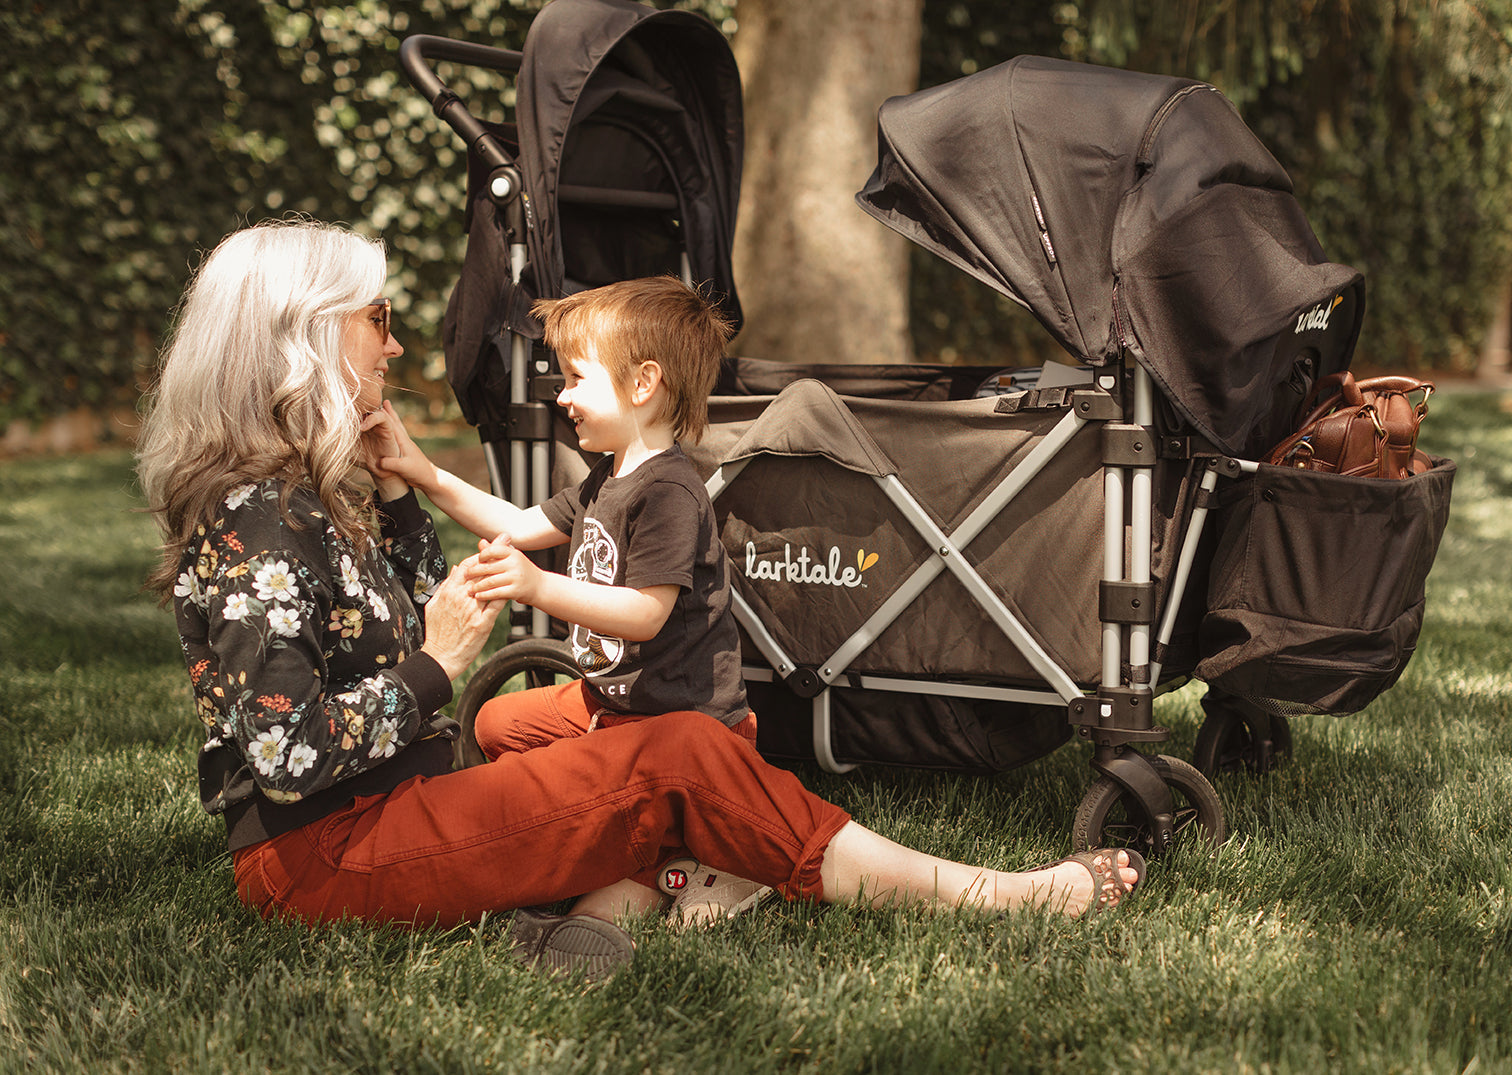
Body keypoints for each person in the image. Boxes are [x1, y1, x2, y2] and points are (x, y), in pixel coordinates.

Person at [135, 218, 1143, 981]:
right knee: (680, 753)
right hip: (327, 853)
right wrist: (434, 665)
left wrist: (404, 488)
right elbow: (287, 753)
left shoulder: (294, 494)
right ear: (305, 338)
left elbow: (394, 613)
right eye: (379, 322)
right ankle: (990, 895)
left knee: (601, 742)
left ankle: (618, 898)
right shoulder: (255, 523)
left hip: (392, 803)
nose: (393, 348)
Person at [371, 276, 769, 929]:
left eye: (577, 378)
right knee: (496, 726)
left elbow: (646, 612)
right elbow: (512, 521)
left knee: (595, 911)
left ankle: (716, 860)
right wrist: (421, 469)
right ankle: (631, 828)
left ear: (643, 384)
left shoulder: (667, 491)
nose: (562, 396)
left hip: (687, 732)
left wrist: (535, 586)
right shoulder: (607, 478)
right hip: (615, 705)